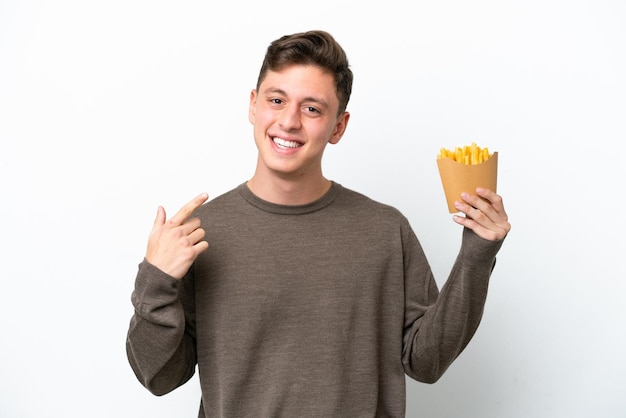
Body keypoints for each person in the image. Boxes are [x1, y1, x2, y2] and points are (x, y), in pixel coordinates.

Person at [126, 30, 510, 418]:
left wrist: (476, 256)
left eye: (312, 109)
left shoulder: (385, 231)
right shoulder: (199, 234)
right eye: (276, 100)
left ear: (338, 127)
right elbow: (159, 377)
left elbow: (426, 362)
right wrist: (155, 280)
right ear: (253, 106)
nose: (289, 121)